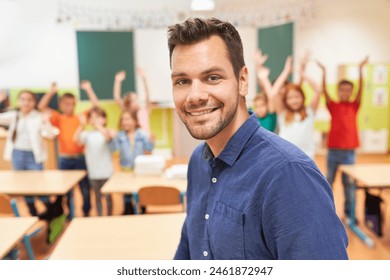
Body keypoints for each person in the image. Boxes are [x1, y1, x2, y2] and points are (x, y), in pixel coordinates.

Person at [168, 17, 348, 260]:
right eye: (182, 81)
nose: (195, 95)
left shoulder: (289, 175)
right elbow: (189, 250)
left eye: (212, 77)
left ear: (243, 81)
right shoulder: (197, 162)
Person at [38, 81, 99, 217]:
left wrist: (88, 89)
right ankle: (70, 215)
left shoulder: (80, 117)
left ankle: (86, 212)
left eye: (72, 104)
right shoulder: (58, 118)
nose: (70, 107)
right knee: (67, 191)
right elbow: (41, 107)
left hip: (80, 158)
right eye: (66, 104)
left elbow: (96, 106)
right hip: (64, 159)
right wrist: (51, 92)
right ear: (60, 104)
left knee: (85, 189)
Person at [317, 57, 368, 219]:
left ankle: (349, 213)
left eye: (348, 90)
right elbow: (325, 90)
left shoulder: (354, 105)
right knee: (328, 181)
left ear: (351, 92)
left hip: (349, 152)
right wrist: (324, 72)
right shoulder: (333, 105)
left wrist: (360, 70)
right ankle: (326, 211)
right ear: (338, 91)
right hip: (333, 151)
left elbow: (361, 89)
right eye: (342, 90)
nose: (345, 92)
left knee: (349, 185)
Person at [0, 90, 58, 216]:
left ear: (34, 102)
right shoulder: (14, 115)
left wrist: (46, 121)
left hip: (34, 156)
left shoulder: (38, 116)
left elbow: (52, 134)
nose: (26, 103)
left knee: (39, 185)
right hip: (17, 154)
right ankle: (33, 212)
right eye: (23, 99)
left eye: (29, 99)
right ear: (18, 101)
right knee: (23, 186)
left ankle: (50, 211)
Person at [110, 110, 155, 214]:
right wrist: (112, 139)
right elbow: (113, 149)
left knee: (141, 194)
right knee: (127, 196)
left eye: (127, 119)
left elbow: (148, 148)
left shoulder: (142, 134)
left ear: (134, 121)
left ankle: (142, 212)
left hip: (139, 171)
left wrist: (152, 141)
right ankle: (128, 213)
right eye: (123, 120)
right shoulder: (120, 135)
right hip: (125, 171)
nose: (124, 122)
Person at [74, 107, 114, 216]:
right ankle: (99, 216)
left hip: (107, 171)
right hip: (93, 172)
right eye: (92, 117)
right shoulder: (88, 134)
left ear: (104, 119)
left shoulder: (107, 131)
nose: (95, 120)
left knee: (108, 196)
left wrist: (98, 126)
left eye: (98, 117)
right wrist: (82, 125)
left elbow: (109, 137)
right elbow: (76, 139)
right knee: (97, 196)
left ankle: (109, 215)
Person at [113, 67, 153, 135]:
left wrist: (144, 79)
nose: (136, 102)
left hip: (145, 142)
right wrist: (117, 81)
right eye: (132, 100)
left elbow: (148, 95)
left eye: (136, 99)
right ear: (129, 103)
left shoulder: (144, 111)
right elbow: (117, 97)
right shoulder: (127, 112)